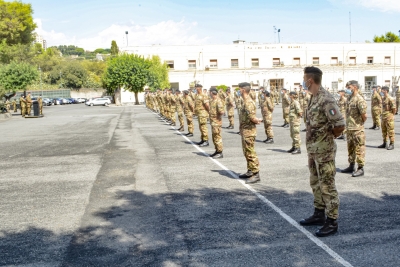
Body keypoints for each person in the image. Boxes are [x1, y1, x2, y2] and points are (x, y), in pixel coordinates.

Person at [299, 66, 345, 237]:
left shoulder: (326, 99)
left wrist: (328, 138)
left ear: (310, 80)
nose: (303, 82)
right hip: (313, 150)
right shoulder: (313, 98)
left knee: (327, 186)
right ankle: (319, 214)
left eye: (304, 79)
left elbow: (340, 125)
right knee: (315, 182)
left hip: (324, 151)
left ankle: (332, 221)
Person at [341, 80, 367, 177]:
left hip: (357, 129)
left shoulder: (359, 99)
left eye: (349, 87)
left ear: (354, 87)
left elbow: (364, 115)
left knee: (359, 148)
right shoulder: (349, 98)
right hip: (349, 128)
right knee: (350, 148)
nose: (347, 89)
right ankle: (351, 165)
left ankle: (360, 168)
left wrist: (359, 124)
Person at [237, 82, 262, 184]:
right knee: (246, 151)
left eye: (239, 89)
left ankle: (256, 174)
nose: (238, 91)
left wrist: (257, 120)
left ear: (243, 90)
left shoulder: (248, 102)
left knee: (250, 152)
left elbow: (252, 118)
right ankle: (250, 170)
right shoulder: (245, 101)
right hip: (245, 130)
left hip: (249, 131)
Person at [208, 88, 225, 158]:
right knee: (214, 137)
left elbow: (221, 112)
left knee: (217, 137)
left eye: (210, 92)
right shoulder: (213, 100)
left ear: (212, 93)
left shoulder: (218, 101)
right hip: (213, 122)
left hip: (216, 122)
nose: (209, 93)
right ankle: (217, 150)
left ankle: (220, 152)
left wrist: (217, 118)